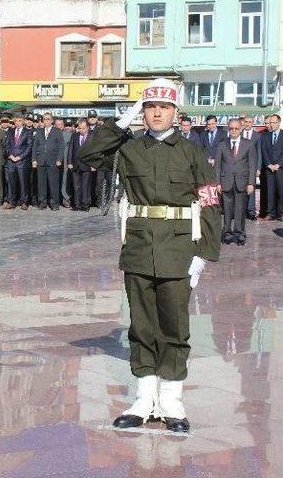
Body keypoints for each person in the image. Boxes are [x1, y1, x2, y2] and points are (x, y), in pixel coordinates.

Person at [79, 78, 221, 433]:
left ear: (176, 112)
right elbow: (87, 156)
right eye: (150, 107)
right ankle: (143, 398)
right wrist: (121, 123)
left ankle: (172, 399)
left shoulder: (191, 151)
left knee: (174, 326)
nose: (157, 113)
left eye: (164, 107)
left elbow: (210, 202)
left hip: (179, 247)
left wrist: (202, 255)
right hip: (140, 246)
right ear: (142, 112)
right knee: (141, 326)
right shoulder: (129, 148)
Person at [215, 118, 256, 245]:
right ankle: (227, 232)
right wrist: (217, 183)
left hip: (242, 182)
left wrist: (251, 183)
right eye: (231, 128)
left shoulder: (248, 144)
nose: (234, 131)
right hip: (225, 181)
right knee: (227, 209)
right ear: (228, 129)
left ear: (241, 128)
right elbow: (217, 165)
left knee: (240, 209)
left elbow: (252, 165)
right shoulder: (222, 144)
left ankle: (239, 232)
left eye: (236, 128)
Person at [32, 112, 64, 210]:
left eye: (48, 119)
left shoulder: (57, 131)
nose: (46, 121)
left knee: (53, 183)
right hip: (41, 161)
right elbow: (35, 146)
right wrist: (34, 159)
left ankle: (54, 203)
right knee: (41, 184)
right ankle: (42, 202)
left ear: (52, 121)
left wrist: (59, 159)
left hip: (53, 161)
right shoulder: (39, 131)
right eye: (44, 119)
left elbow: (61, 147)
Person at [5, 114, 33, 210]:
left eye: (20, 121)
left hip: (22, 161)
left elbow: (29, 147)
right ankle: (11, 201)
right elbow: (7, 145)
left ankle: (24, 202)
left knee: (23, 182)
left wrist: (20, 157)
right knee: (11, 182)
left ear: (23, 121)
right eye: (16, 121)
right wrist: (10, 155)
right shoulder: (10, 131)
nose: (17, 123)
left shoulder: (28, 132)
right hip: (11, 161)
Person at [66, 119, 94, 211]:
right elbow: (71, 149)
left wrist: (94, 164)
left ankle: (85, 205)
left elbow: (95, 152)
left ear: (87, 128)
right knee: (76, 186)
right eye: (79, 128)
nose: (81, 130)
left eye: (83, 128)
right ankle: (77, 205)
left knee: (85, 186)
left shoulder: (92, 136)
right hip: (75, 165)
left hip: (87, 165)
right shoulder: (74, 135)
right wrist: (69, 162)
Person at [261, 114, 283, 221]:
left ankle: (281, 213)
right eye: (271, 122)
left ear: (279, 123)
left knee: (281, 191)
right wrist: (269, 164)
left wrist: (278, 164)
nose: (272, 124)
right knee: (270, 191)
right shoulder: (265, 136)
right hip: (269, 168)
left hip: (280, 168)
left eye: (274, 122)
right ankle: (270, 213)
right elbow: (264, 151)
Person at [240, 115, 261, 220]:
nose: (247, 123)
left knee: (251, 188)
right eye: (246, 121)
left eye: (250, 122)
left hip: (252, 166)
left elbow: (259, 153)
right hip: (240, 166)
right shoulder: (240, 133)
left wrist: (258, 167)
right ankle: (241, 211)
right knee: (240, 188)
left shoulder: (257, 136)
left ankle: (251, 212)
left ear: (253, 123)